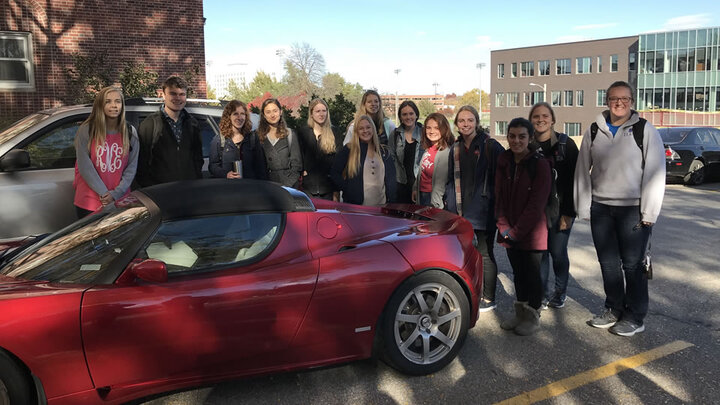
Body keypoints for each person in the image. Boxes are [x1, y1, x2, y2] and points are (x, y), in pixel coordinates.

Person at [575, 81, 666, 337]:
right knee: (608, 264)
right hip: (601, 209)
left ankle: (635, 316)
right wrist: (583, 205)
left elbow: (656, 172)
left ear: (632, 102)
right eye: (615, 98)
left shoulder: (644, 130)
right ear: (607, 100)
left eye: (625, 99)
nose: (619, 103)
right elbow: (582, 170)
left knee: (633, 265)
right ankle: (613, 308)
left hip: (632, 211)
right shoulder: (594, 130)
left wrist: (649, 212)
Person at [445, 105, 505, 312]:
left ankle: (489, 297)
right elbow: (451, 180)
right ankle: (471, 292)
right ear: (456, 124)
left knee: (485, 254)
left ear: (477, 122)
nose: (466, 124)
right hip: (461, 212)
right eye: (461, 121)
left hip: (483, 211)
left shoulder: (491, 146)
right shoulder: (456, 148)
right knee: (464, 254)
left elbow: (502, 178)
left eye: (470, 120)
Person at [495, 118, 551, 336]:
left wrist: (516, 232)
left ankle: (532, 316)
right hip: (509, 232)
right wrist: (503, 226)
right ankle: (519, 313)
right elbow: (498, 197)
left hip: (531, 233)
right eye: (512, 136)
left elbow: (536, 205)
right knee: (518, 274)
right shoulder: (504, 160)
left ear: (530, 138)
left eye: (521, 136)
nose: (516, 141)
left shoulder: (540, 164)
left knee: (532, 276)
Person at [528, 102, 579, 309]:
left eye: (545, 116)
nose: (540, 120)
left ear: (553, 119)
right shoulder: (527, 146)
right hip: (536, 212)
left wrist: (569, 213)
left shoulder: (566, 145)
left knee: (557, 252)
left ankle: (560, 292)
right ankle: (541, 293)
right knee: (540, 254)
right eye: (536, 116)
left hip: (561, 210)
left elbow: (575, 181)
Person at [73, 86, 139, 218]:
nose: (114, 105)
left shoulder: (130, 132)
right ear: (100, 105)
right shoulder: (87, 130)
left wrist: (116, 194)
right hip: (89, 201)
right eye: (108, 101)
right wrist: (104, 193)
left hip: (120, 200)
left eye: (117, 101)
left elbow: (131, 168)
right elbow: (85, 166)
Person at [135, 76, 203, 187]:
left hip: (189, 190)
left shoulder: (193, 124)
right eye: (173, 94)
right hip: (159, 193)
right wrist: (151, 188)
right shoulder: (150, 124)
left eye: (182, 94)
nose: (178, 98)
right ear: (163, 95)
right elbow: (141, 164)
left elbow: (198, 159)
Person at [331, 115, 396, 205]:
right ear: (356, 131)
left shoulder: (384, 151)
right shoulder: (349, 150)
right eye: (361, 128)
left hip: (381, 206)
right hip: (357, 207)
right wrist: (348, 189)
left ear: (373, 129)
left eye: (368, 127)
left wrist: (391, 199)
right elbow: (335, 173)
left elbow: (391, 179)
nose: (365, 131)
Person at [297, 98, 343, 200]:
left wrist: (336, 190)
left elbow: (339, 163)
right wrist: (303, 172)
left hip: (329, 189)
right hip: (308, 189)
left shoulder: (335, 132)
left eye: (324, 111)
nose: (321, 114)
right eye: (318, 111)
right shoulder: (303, 132)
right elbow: (299, 157)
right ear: (311, 114)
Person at [209, 100, 266, 180]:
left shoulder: (252, 138)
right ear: (229, 116)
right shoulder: (219, 140)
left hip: (251, 188)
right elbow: (213, 166)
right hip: (229, 189)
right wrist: (225, 174)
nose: (239, 117)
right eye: (235, 114)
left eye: (242, 114)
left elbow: (261, 168)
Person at [257, 98, 303, 188]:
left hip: (288, 186)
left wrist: (288, 184)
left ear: (280, 112)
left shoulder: (289, 134)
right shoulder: (256, 136)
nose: (272, 115)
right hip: (265, 186)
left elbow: (297, 164)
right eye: (268, 112)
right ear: (264, 115)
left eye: (275, 111)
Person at [413, 113, 453, 208]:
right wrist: (415, 188)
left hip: (432, 199)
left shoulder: (445, 152)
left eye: (436, 128)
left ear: (444, 129)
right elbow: (421, 172)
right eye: (428, 128)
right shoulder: (429, 148)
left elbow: (440, 183)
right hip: (422, 194)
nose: (431, 131)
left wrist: (436, 204)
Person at [389, 100, 424, 203]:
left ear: (416, 115)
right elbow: (391, 158)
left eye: (411, 113)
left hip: (419, 185)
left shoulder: (424, 133)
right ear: (400, 117)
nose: (408, 117)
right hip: (400, 185)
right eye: (404, 114)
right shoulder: (395, 134)